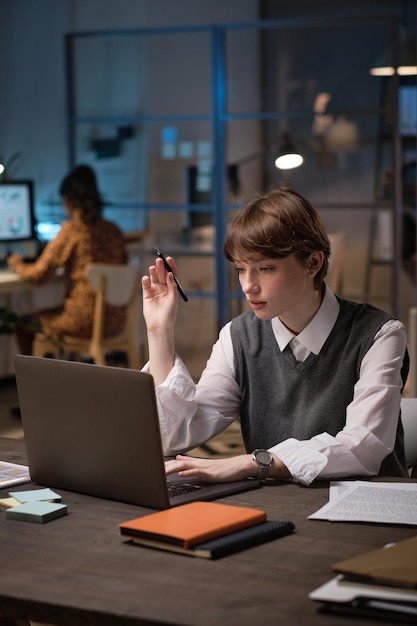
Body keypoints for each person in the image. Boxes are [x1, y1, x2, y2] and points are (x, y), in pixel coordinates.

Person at [142, 187, 409, 486]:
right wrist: (159, 330)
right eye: (241, 269)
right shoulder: (239, 337)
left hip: (369, 514)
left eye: (266, 269)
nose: (248, 285)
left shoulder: (379, 334)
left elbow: (364, 447)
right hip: (278, 510)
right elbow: (174, 435)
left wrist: (254, 463)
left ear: (313, 263)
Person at [7, 164, 128, 354]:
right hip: (114, 320)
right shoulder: (113, 230)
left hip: (82, 321)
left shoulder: (72, 231)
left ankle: (33, 382)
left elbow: (39, 275)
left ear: (68, 200)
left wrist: (17, 264)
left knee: (24, 324)